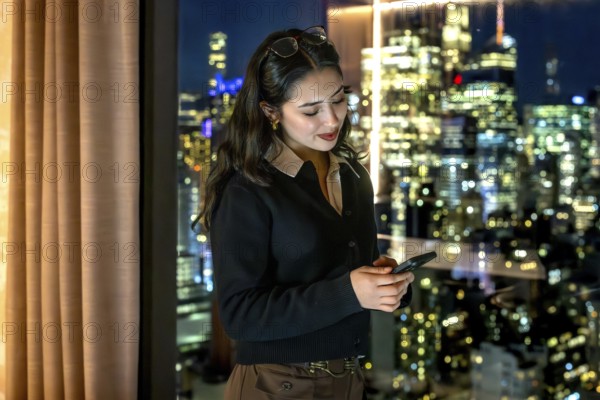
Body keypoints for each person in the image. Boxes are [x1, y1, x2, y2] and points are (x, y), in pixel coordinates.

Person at [194, 26, 414, 400]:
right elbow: (239, 316)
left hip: (348, 378)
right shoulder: (248, 188)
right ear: (270, 111)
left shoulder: (353, 174)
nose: (331, 121)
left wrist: (384, 284)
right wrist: (349, 292)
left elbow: (341, 274)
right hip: (275, 384)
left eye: (339, 99)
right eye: (311, 110)